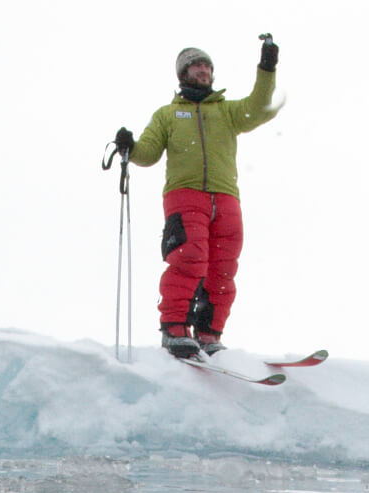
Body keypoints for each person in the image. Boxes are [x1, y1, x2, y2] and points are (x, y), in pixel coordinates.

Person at [114, 37, 281, 358]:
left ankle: (209, 334)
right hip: (184, 194)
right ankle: (175, 327)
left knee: (223, 267)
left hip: (226, 197)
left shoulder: (227, 111)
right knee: (189, 258)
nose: (203, 70)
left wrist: (267, 68)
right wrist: (130, 148)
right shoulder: (168, 114)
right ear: (183, 73)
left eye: (207, 66)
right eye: (196, 65)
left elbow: (259, 109)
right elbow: (147, 154)